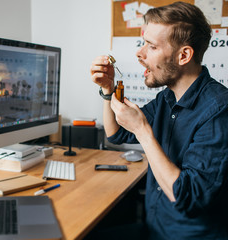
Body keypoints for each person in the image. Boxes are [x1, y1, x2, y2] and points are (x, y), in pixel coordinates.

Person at [90, 2, 228, 239]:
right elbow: (117, 134)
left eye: (151, 46)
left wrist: (143, 130)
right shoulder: (167, 97)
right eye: (143, 42)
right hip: (154, 228)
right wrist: (108, 90)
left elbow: (186, 197)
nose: (139, 53)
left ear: (184, 55)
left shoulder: (219, 110)